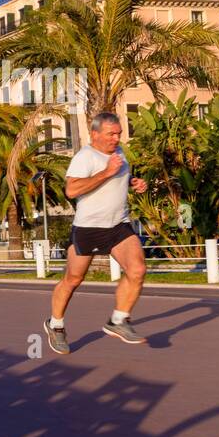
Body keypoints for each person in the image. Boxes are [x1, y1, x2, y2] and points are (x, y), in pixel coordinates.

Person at [45, 111, 148, 354]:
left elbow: (119, 179)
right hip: (89, 228)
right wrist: (107, 173)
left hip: (118, 225)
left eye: (119, 134)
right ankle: (56, 325)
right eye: (111, 134)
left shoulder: (119, 154)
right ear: (94, 134)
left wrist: (133, 182)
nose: (116, 138)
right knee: (73, 279)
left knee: (137, 270)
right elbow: (72, 190)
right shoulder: (85, 157)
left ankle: (118, 320)